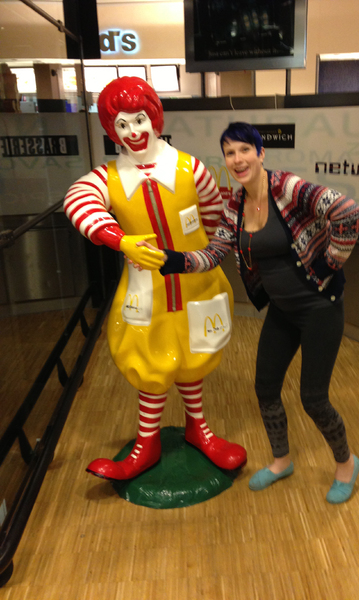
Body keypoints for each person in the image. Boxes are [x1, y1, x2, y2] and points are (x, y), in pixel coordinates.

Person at [137, 121, 359, 504]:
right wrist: (170, 260)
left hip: (319, 309)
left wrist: (330, 264)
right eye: (230, 152)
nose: (237, 158)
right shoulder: (235, 205)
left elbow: (347, 212)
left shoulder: (287, 188)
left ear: (260, 153)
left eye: (244, 150)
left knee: (314, 399)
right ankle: (281, 460)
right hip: (282, 312)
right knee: (265, 389)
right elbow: (214, 254)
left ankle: (346, 463)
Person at [64, 78, 246, 481]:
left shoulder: (192, 169)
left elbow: (215, 221)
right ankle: (146, 444)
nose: (133, 131)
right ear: (111, 131)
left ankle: (199, 429)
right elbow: (78, 200)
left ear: (155, 118)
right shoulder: (108, 177)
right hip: (146, 293)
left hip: (198, 285)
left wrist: (205, 259)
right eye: (122, 124)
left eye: (139, 119)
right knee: (150, 362)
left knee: (196, 356)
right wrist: (120, 240)